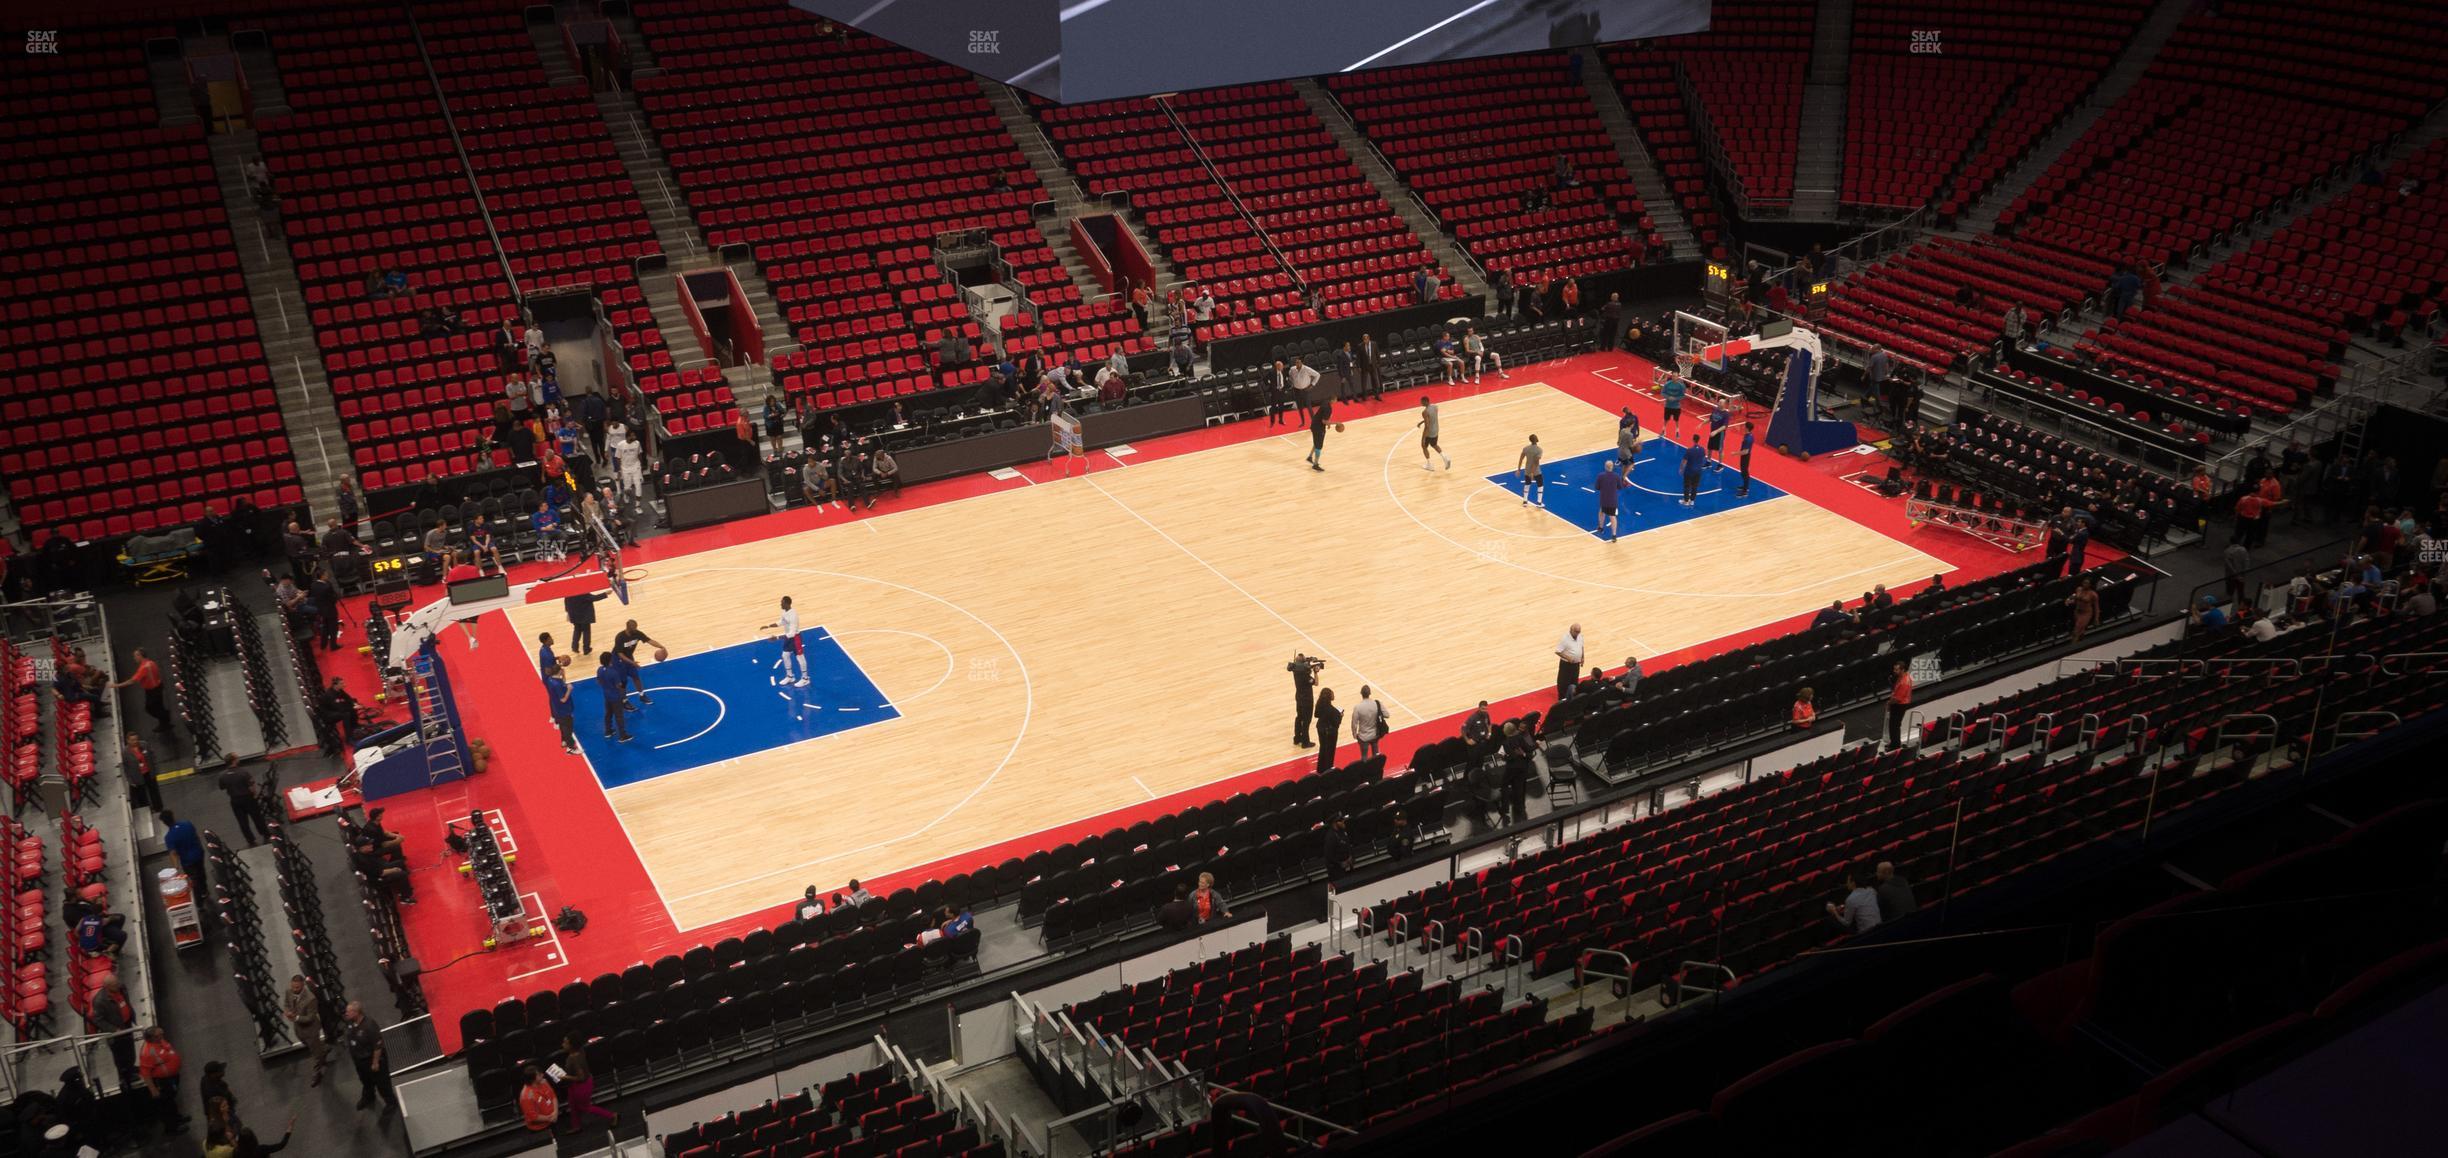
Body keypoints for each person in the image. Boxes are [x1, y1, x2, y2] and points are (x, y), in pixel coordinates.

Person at [342, 1002, 398, 1115]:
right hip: (359, 1060)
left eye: (348, 1011)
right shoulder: (350, 1022)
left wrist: (375, 1062)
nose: (346, 1013)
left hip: (372, 1060)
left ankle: (391, 1102)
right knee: (365, 1081)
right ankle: (369, 1097)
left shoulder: (369, 1025)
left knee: (382, 1083)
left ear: (356, 1013)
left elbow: (377, 1046)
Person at [88, 974, 138, 1088]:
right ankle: (124, 1078)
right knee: (120, 1057)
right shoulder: (100, 1001)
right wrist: (113, 1029)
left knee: (130, 1051)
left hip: (127, 1025)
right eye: (114, 985)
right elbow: (98, 1020)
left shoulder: (121, 987)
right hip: (116, 1033)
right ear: (106, 986)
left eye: (117, 982)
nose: (118, 985)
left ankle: (131, 1069)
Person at [109, 647, 173, 736]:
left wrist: (116, 685)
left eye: (135, 656)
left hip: (152, 691)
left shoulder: (144, 668)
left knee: (150, 708)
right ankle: (164, 722)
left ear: (140, 656)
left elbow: (132, 681)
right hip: (158, 687)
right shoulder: (151, 663)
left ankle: (165, 718)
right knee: (159, 706)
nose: (134, 658)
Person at [282, 974, 329, 1086]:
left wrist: (296, 1018)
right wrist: (287, 1011)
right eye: (293, 987)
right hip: (298, 1028)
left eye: (297, 988)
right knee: (310, 1045)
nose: (294, 990)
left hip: (311, 1029)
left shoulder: (310, 999)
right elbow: (286, 1004)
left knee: (315, 1052)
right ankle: (323, 1050)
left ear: (303, 986)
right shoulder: (289, 992)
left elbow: (310, 1017)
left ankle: (317, 1071)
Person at [138, 1026, 188, 1129]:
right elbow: (145, 1073)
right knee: (166, 1104)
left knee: (171, 1100)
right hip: (162, 1081)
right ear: (151, 1038)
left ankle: (177, 1118)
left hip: (171, 1078)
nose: (162, 1036)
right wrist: (153, 1089)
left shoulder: (159, 1041)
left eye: (162, 1034)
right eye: (158, 1035)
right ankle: (172, 1127)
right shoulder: (148, 1053)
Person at [561, 1035, 615, 1128]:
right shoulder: (579, 1051)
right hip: (576, 1085)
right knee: (573, 1105)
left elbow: (581, 1078)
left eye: (565, 1043)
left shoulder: (574, 1059)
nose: (563, 1045)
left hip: (582, 1086)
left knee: (584, 1107)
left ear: (572, 1045)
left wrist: (565, 1077)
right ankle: (576, 1126)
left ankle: (612, 1116)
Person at [219, 756, 267, 847]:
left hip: (235, 801)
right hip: (248, 799)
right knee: (257, 818)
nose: (238, 759)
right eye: (236, 758)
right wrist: (255, 795)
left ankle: (250, 840)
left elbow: (222, 787)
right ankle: (265, 834)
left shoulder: (222, 775)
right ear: (233, 761)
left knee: (242, 822)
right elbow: (251, 786)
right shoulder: (243, 772)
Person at [765, 596, 809, 686]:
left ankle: (805, 678)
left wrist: (777, 638)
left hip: (795, 638)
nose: (780, 604)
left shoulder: (793, 616)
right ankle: (790, 676)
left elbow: (792, 634)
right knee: (785, 655)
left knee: (800, 657)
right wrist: (769, 626)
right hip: (788, 638)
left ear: (787, 604)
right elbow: (782, 622)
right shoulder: (784, 612)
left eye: (782, 602)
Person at [1826, 865, 1881, 933]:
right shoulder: (1872, 891)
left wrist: (1834, 911)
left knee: (1830, 920)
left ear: (1853, 883)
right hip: (1879, 926)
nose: (1847, 884)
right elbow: (1862, 903)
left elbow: (1846, 923)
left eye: (1848, 881)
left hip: (1866, 932)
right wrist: (1845, 907)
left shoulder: (1851, 899)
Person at [163, 810, 205, 889]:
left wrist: (176, 868)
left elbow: (173, 853)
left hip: (187, 861)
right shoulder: (187, 824)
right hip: (198, 853)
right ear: (173, 816)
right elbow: (196, 837)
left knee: (194, 878)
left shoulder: (169, 837)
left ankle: (200, 892)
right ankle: (205, 889)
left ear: (164, 823)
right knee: (201, 872)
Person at [595, 655, 632, 743]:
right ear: (610, 660)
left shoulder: (599, 669)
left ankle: (608, 731)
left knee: (608, 714)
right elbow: (618, 685)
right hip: (615, 697)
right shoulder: (613, 673)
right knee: (619, 716)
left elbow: (599, 681)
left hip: (607, 695)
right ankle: (623, 736)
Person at [1288, 652, 1321, 747]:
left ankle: (1297, 738)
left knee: (1299, 718)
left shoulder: (1295, 670)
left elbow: (1301, 665)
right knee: (1306, 721)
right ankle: (1305, 742)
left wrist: (1307, 663)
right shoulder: (1306, 676)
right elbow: (1316, 683)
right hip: (1307, 700)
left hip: (1298, 697)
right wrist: (1315, 672)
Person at [1312, 686, 1343, 775]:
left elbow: (1316, 715)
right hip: (1329, 732)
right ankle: (1328, 769)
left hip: (1320, 729)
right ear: (1330, 697)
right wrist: (1340, 716)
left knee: (1322, 748)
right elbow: (1337, 723)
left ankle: (1320, 768)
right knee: (1330, 750)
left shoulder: (1319, 704)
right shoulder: (1333, 711)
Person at [1349, 686, 1385, 761]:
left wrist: (1354, 734)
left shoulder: (1357, 707)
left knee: (1364, 757)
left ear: (1361, 694)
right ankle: (1376, 770)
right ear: (1370, 693)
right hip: (1375, 734)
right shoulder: (1377, 704)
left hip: (1363, 737)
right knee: (1376, 756)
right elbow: (1387, 715)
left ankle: (1364, 771)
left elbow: (1354, 723)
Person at [1594, 454, 1625, 540]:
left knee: (1601, 512)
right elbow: (1620, 487)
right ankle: (1614, 535)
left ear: (1605, 467)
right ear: (1612, 467)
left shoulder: (1600, 476)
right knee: (1612, 516)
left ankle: (1600, 527)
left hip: (1603, 499)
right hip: (1612, 500)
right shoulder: (1616, 476)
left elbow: (1597, 487)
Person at [519, 1065, 558, 1133]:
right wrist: (550, 1118)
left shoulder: (544, 1082)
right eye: (539, 1075)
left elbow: (553, 1096)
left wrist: (555, 1112)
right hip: (540, 1128)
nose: (542, 1075)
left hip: (552, 1120)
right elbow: (533, 1117)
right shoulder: (526, 1096)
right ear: (532, 1079)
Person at [564, 589, 604, 654]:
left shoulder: (568, 591)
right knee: (586, 631)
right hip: (584, 615)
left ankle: (574, 647)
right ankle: (586, 649)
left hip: (574, 615)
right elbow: (594, 598)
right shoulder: (582, 592)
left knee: (577, 630)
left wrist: (568, 611)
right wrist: (605, 594)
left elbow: (566, 601)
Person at [1414, 396, 1449, 470]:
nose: (1421, 403)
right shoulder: (1435, 407)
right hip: (1436, 429)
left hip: (1429, 432)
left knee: (1424, 446)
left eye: (1422, 402)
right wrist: (1421, 422)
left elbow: (1427, 425)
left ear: (1425, 401)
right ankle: (1445, 457)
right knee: (1434, 444)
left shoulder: (1425, 412)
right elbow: (1432, 418)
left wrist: (1423, 438)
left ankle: (1429, 465)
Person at [1305, 390, 1334, 472]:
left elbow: (1323, 418)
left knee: (1316, 442)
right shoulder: (1328, 408)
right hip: (1318, 427)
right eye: (1335, 400)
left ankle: (1310, 457)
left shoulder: (1325, 403)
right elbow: (1324, 421)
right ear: (1332, 400)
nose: (1336, 401)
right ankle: (1315, 464)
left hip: (1314, 425)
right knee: (1319, 446)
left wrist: (1328, 423)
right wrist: (1337, 423)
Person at [1886, 660, 1913, 748]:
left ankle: (1895, 745)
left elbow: (1897, 699)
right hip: (1899, 703)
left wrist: (1889, 703)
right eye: (1894, 669)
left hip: (1899, 705)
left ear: (1902, 670)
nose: (1894, 671)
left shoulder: (1904, 682)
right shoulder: (1903, 676)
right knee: (1893, 725)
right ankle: (1893, 742)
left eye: (1897, 670)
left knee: (1894, 726)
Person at [2066, 577, 2101, 644]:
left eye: (2087, 583)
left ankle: (2073, 645)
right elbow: (2075, 600)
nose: (2085, 584)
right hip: (2077, 612)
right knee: (2080, 629)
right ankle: (2081, 641)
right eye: (2084, 583)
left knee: (2077, 629)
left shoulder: (2093, 594)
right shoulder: (2079, 589)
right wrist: (2069, 601)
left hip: (2086, 613)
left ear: (2090, 585)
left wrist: (2096, 618)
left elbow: (2096, 607)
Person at [1555, 623, 1584, 700]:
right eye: (1576, 631)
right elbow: (1558, 651)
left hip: (1576, 663)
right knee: (1563, 682)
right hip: (1566, 664)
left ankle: (1572, 695)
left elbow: (1581, 646)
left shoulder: (1580, 636)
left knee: (1574, 680)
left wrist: (1582, 657)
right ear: (1571, 630)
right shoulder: (1565, 639)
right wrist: (1568, 658)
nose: (1577, 633)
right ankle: (1562, 698)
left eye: (1579, 632)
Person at [1517, 433, 1546, 507]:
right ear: (1536, 440)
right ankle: (1539, 503)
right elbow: (1536, 462)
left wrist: (1519, 469)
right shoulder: (1539, 450)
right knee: (1540, 485)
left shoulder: (1526, 448)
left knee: (1527, 484)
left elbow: (1521, 459)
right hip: (1536, 471)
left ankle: (1525, 502)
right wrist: (1533, 473)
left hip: (1527, 470)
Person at [1679, 433, 1706, 507]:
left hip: (1689, 471)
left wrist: (1681, 469)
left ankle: (1686, 501)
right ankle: (1692, 500)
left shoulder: (1689, 450)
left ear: (1693, 440)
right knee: (1695, 486)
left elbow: (1684, 461)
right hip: (1698, 471)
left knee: (1687, 486)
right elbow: (1703, 459)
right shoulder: (1702, 449)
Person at [1660, 371, 1686, 436]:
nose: (1674, 377)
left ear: (1678, 377)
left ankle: (1677, 431)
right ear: (1671, 376)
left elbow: (1683, 396)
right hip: (1668, 406)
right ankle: (1663, 430)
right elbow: (1662, 393)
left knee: (1676, 420)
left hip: (1676, 407)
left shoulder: (1680, 386)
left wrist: (1675, 399)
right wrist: (1668, 397)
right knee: (1666, 419)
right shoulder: (1667, 384)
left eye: (1676, 376)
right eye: (1673, 376)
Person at [1736, 422, 1757, 498]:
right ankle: (1745, 486)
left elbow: (1746, 451)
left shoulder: (1748, 438)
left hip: (1745, 456)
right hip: (1744, 456)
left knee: (1745, 472)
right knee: (1743, 471)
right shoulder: (1747, 435)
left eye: (1744, 426)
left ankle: (1745, 491)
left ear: (1747, 428)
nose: (1743, 427)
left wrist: (1735, 453)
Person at [1706, 406, 1730, 471]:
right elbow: (1710, 419)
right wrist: (1702, 423)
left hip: (1720, 434)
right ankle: (1708, 462)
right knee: (1710, 447)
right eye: (1719, 402)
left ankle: (1720, 465)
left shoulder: (1726, 414)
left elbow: (1724, 426)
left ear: (1724, 404)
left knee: (1720, 450)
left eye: (1721, 402)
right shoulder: (1715, 410)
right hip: (1712, 432)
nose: (1719, 403)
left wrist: (1716, 432)